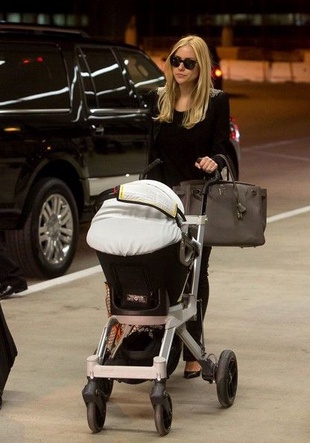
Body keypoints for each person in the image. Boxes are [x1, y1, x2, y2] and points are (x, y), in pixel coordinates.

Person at [148, 35, 232, 378]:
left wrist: (216, 160)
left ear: (201, 67)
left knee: (196, 273)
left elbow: (223, 145)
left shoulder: (215, 102)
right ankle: (159, 342)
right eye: (175, 61)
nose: (180, 68)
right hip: (163, 197)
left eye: (188, 63)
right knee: (163, 270)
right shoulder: (159, 99)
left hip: (199, 196)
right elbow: (150, 152)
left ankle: (193, 348)